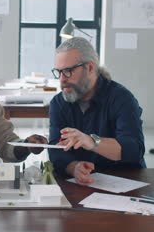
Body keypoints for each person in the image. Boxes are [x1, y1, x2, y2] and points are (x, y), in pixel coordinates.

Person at [48, 37, 145, 185]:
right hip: (82, 185)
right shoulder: (59, 103)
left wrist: (93, 141)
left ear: (90, 68)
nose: (62, 79)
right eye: (59, 72)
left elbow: (133, 149)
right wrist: (74, 168)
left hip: (126, 182)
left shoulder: (121, 98)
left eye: (68, 71)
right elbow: (56, 150)